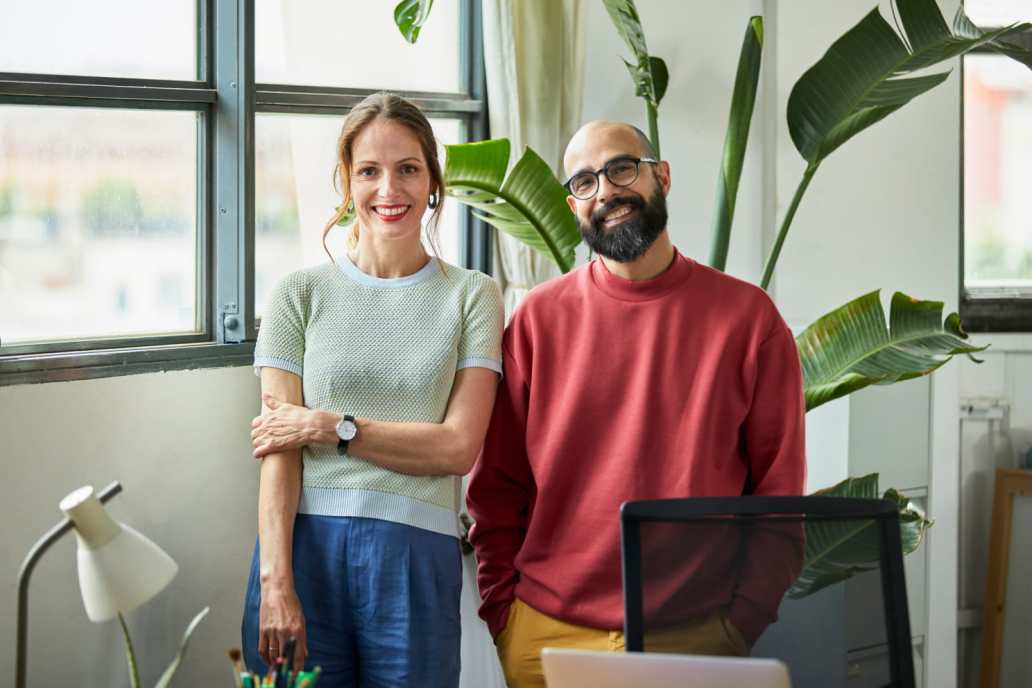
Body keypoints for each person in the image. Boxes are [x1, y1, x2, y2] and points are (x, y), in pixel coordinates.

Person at [466, 120, 806, 687]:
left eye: (621, 168)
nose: (605, 191)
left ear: (661, 177)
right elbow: (497, 485)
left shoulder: (748, 321)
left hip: (697, 635)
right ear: (573, 205)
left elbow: (778, 493)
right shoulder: (535, 322)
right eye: (583, 182)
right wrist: (505, 615)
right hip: (544, 632)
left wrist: (740, 622)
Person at [241, 92, 504, 687]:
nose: (391, 189)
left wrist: (328, 426)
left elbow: (457, 448)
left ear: (432, 181)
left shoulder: (472, 297)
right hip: (303, 552)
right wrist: (276, 584)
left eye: (408, 168)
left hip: (415, 559)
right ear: (346, 181)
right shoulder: (297, 295)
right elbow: (277, 452)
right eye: (370, 171)